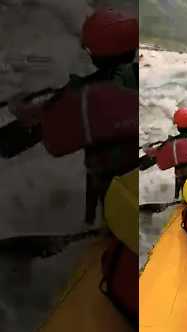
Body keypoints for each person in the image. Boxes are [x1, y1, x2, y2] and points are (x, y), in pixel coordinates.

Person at [8, 7, 139, 225]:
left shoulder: (86, 98)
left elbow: (53, 140)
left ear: (94, 55)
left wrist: (25, 110)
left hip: (115, 190)